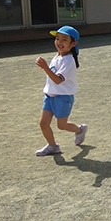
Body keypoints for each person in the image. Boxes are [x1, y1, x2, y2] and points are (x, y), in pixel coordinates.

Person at [35, 25, 87, 156]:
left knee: (62, 125)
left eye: (64, 39)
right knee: (43, 123)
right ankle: (53, 146)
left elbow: (58, 80)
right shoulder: (57, 56)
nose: (59, 42)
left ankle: (80, 130)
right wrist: (46, 68)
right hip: (50, 95)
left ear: (73, 43)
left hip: (63, 97)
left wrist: (45, 67)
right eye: (57, 38)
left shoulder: (69, 60)